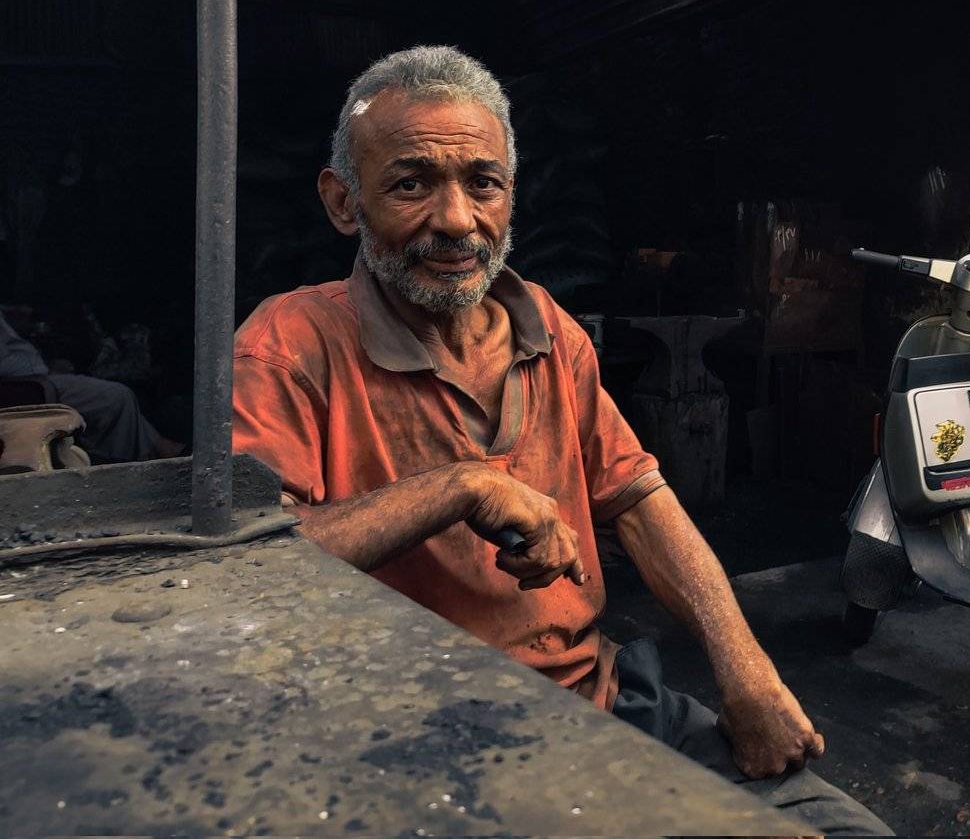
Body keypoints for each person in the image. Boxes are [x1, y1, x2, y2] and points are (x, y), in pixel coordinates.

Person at [231, 46, 888, 836]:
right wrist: (460, 485)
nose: (457, 220)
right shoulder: (288, 345)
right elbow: (248, 567)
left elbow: (638, 499)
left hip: (598, 700)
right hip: (413, 743)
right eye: (411, 184)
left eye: (483, 183)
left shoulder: (548, 328)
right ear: (344, 202)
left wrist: (747, 674)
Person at [0, 309, 184, 462]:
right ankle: (134, 458)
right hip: (27, 385)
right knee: (117, 395)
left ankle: (159, 445)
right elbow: (7, 364)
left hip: (39, 378)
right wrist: (43, 369)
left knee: (125, 395)